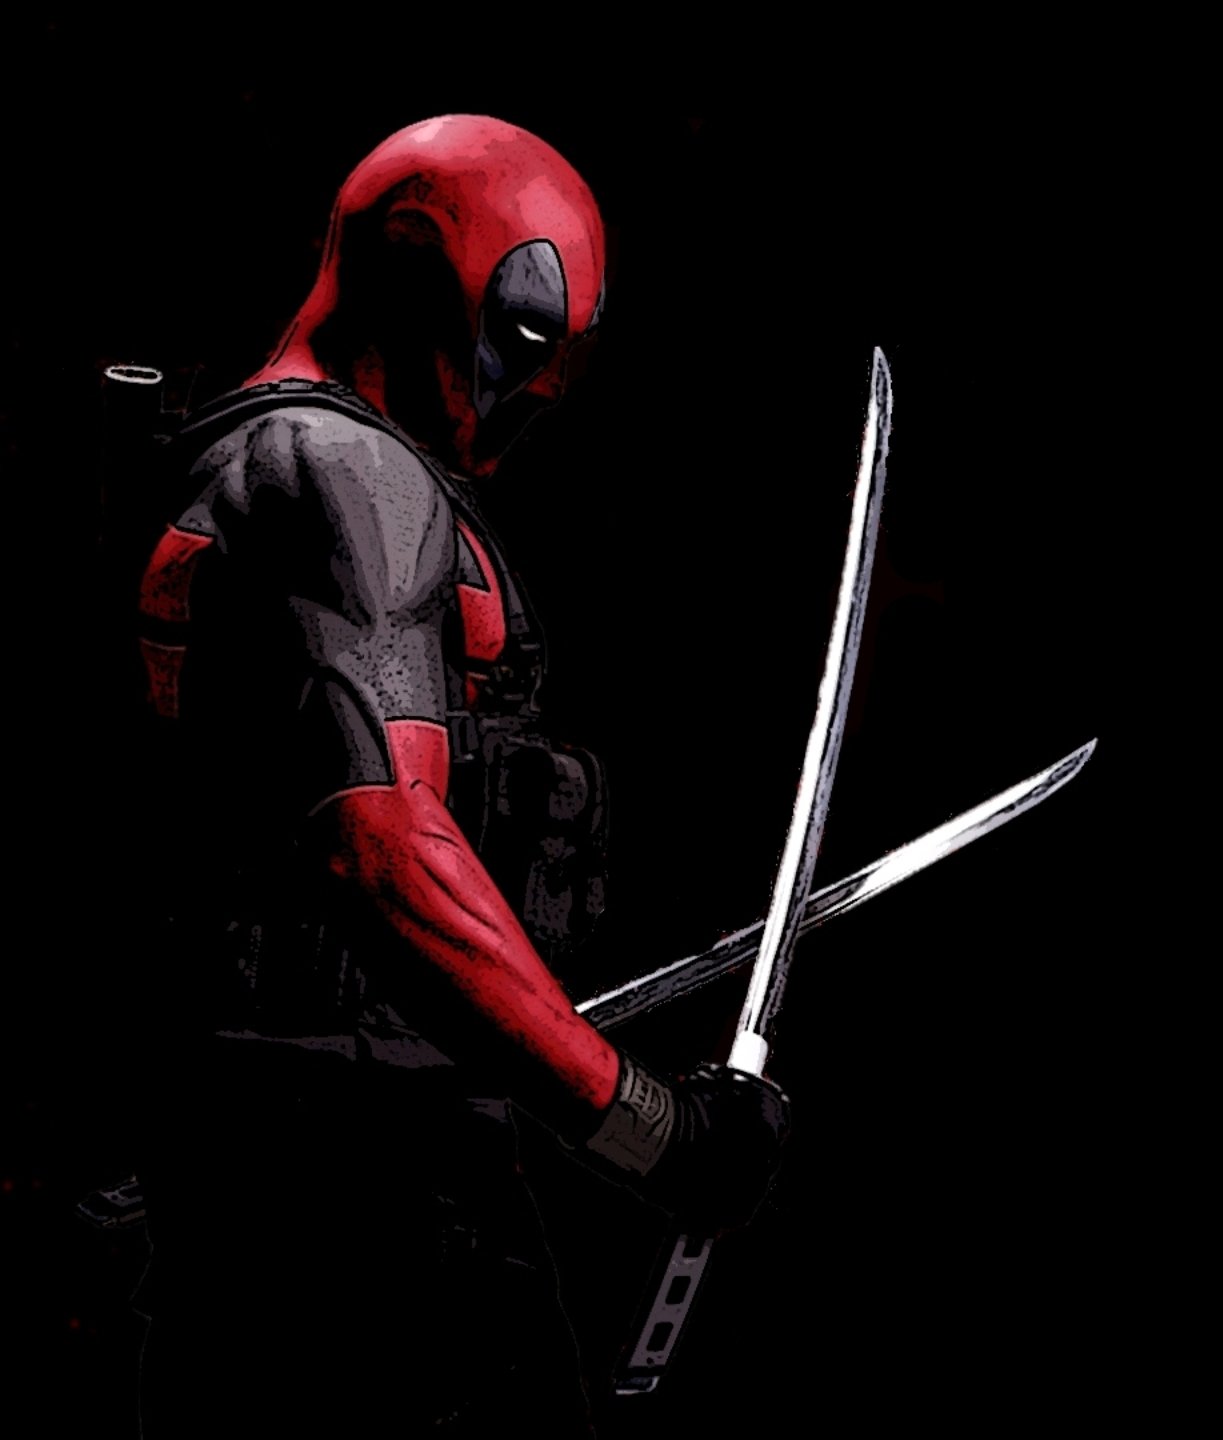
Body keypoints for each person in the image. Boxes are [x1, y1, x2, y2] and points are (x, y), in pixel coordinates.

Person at [120, 115, 789, 1435]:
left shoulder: (244, 453)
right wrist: (650, 1128)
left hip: (295, 1166)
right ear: (423, 278)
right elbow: (385, 842)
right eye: (526, 336)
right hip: (363, 1196)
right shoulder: (345, 473)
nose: (540, 392)